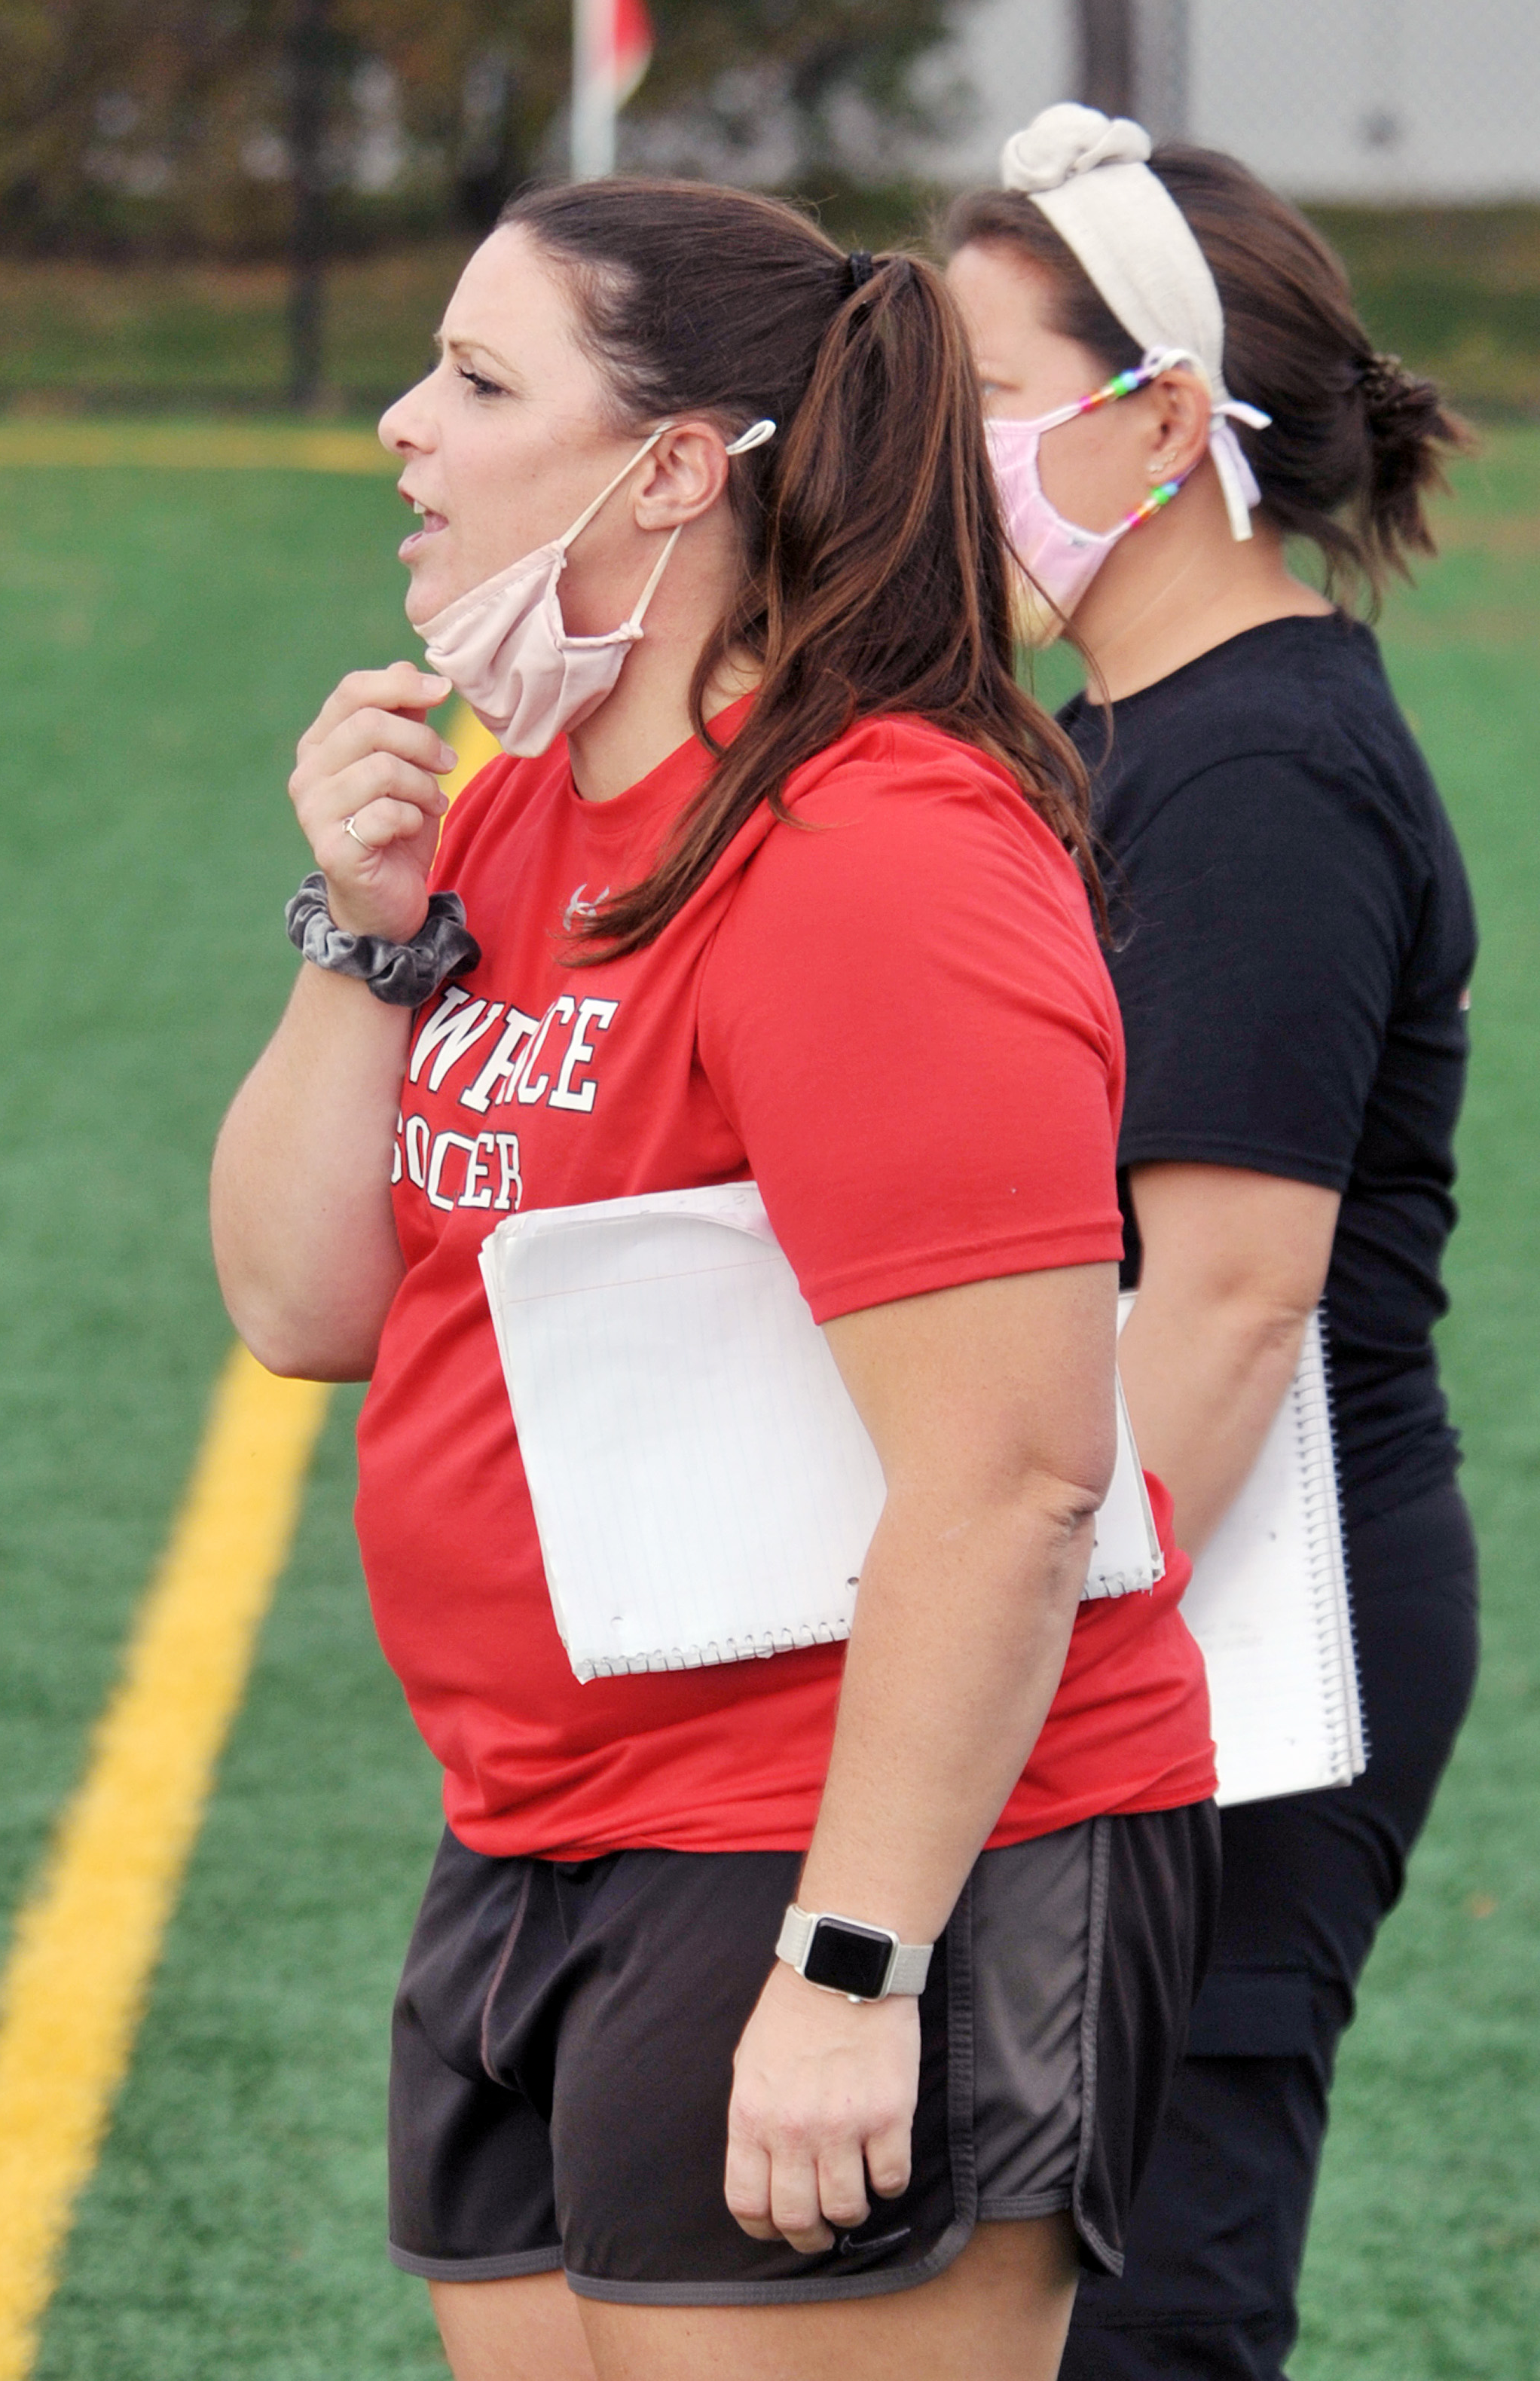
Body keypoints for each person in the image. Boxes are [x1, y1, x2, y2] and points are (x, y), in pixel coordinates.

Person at [211, 176, 1219, 2381]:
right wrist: (362, 925)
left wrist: (851, 1969)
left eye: (478, 381)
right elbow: (305, 1306)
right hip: (541, 1832)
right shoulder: (514, 812)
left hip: (821, 1841)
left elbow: (1019, 1478)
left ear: (676, 467)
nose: (407, 426)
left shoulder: (871, 852)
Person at [946, 105, 1478, 2381]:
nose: (924, 458)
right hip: (1150, 1594)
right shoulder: (1121, 732)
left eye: (967, 401)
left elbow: (1233, 1305)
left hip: (1257, 1625)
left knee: (1153, 2300)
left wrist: (1000, 1672)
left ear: (1162, 419)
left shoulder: (1257, 769)